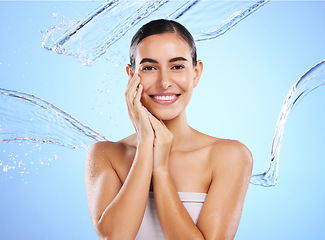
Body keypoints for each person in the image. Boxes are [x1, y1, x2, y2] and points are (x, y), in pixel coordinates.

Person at [85, 19, 253, 240]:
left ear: (196, 73)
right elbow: (116, 237)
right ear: (131, 75)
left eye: (177, 66)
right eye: (149, 68)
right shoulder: (105, 155)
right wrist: (146, 146)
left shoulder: (229, 156)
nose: (164, 82)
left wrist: (161, 170)